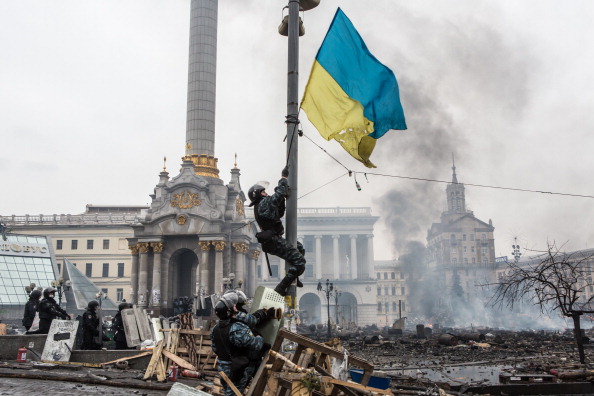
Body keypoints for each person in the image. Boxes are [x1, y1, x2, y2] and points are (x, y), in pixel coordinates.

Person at [248, 166, 306, 296]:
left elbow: (279, 212)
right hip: (273, 241)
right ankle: (280, 288)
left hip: (275, 239)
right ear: (259, 194)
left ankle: (294, 276)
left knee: (300, 247)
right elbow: (277, 196)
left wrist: (282, 198)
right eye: (263, 192)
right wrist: (283, 178)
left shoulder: (264, 204)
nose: (266, 193)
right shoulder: (263, 203)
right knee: (300, 263)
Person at [211, 293, 272, 396]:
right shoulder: (237, 328)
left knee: (229, 393)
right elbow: (256, 344)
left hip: (222, 368)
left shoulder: (215, 329)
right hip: (236, 369)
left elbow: (215, 349)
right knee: (235, 393)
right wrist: (260, 338)